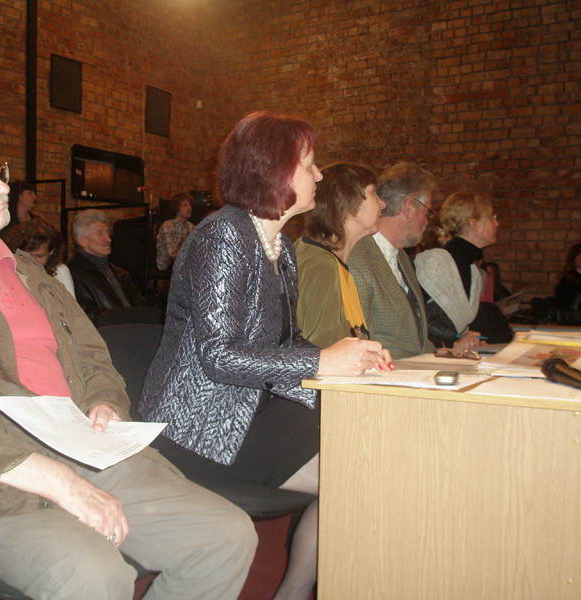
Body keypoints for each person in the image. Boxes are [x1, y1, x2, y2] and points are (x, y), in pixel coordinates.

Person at [0, 115, 256, 600]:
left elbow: (93, 355)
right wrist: (58, 480)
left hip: (83, 452)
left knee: (226, 537)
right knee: (92, 575)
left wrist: (103, 403)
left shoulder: (31, 273)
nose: (2, 187)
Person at [139, 112, 391, 600]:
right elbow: (219, 356)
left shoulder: (281, 247)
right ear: (274, 169)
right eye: (309, 165)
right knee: (360, 474)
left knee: (364, 443)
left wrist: (350, 358)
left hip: (250, 408)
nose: (319, 174)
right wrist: (321, 364)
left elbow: (286, 341)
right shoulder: (224, 235)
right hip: (199, 426)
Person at [347, 162, 448, 359]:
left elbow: (416, 341)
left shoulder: (401, 256)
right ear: (408, 207)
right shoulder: (357, 257)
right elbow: (357, 342)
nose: (427, 221)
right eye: (427, 212)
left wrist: (444, 356)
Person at [294, 162, 386, 348]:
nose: (382, 204)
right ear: (349, 201)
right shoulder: (320, 265)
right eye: (373, 193)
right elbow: (319, 352)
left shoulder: (328, 260)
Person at [414, 191, 510, 347]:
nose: (497, 223)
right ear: (473, 223)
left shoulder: (473, 271)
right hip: (424, 356)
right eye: (491, 217)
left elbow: (454, 328)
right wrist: (454, 345)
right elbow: (413, 319)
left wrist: (466, 339)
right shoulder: (436, 261)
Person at [68, 210, 151, 324]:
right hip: (109, 332)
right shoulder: (74, 273)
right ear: (83, 240)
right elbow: (88, 315)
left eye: (107, 233)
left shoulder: (120, 273)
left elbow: (141, 305)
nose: (108, 239)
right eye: (100, 233)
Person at [1, 217, 75, 297]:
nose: (33, 261)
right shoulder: (9, 272)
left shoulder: (61, 271)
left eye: (40, 256)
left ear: (51, 252)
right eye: (27, 255)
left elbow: (71, 303)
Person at [155, 192, 195, 271]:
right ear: (177, 208)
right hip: (167, 264)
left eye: (190, 205)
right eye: (185, 205)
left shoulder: (192, 227)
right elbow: (171, 255)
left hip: (184, 264)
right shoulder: (167, 226)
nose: (189, 208)